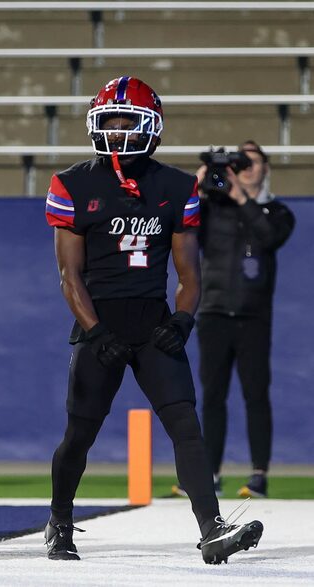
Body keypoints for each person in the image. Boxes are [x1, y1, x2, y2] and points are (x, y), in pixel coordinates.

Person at [43, 76, 263, 564]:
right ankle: (60, 520)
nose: (119, 131)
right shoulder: (73, 183)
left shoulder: (177, 185)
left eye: (129, 122)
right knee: (80, 433)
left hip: (153, 322)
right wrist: (96, 332)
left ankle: (212, 528)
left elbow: (189, 273)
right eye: (111, 122)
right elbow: (69, 276)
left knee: (186, 425)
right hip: (98, 323)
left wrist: (182, 321)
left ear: (153, 129)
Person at [194, 141, 295, 498]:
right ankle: (210, 474)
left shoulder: (278, 212)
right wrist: (199, 187)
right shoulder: (213, 208)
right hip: (214, 312)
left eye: (251, 161)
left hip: (253, 316)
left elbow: (269, 238)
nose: (245, 167)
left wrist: (239, 197)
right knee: (212, 397)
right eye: (240, 162)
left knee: (256, 395)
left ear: (266, 167)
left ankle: (259, 475)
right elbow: (184, 225)